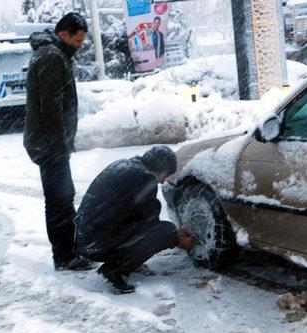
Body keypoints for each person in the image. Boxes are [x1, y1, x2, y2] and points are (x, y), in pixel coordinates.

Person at [75, 146, 194, 294]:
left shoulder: (125, 166)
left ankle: (128, 262)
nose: (163, 181)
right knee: (165, 231)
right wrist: (176, 238)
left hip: (85, 238)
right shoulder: (143, 178)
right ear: (159, 167)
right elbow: (150, 222)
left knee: (158, 230)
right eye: (165, 174)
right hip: (97, 242)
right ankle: (114, 270)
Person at [23, 13, 91, 271]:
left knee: (63, 197)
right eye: (78, 40)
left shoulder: (54, 54)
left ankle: (69, 251)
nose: (80, 45)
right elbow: (50, 106)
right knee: (59, 200)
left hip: (50, 143)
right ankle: (64, 256)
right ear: (63, 34)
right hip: (49, 145)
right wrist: (59, 145)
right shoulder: (52, 57)